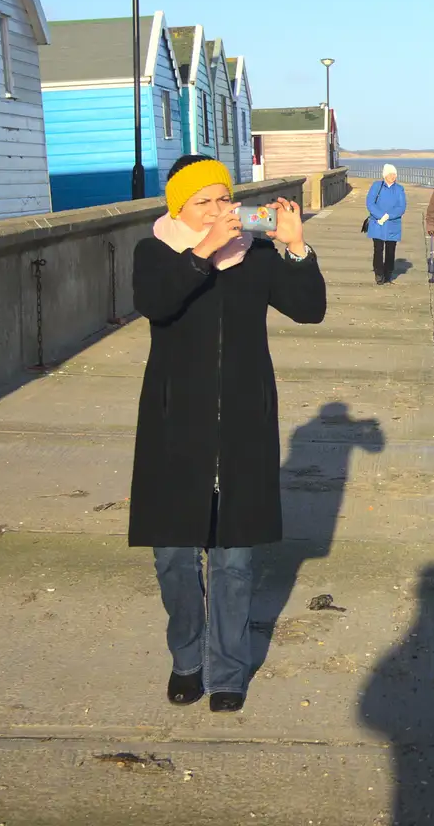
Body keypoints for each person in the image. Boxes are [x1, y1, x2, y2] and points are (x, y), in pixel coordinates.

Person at [129, 155, 327, 713]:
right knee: (173, 556)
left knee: (234, 562)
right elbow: (156, 303)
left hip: (243, 423)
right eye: (204, 202)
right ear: (180, 209)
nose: (219, 211)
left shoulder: (255, 254)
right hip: (175, 426)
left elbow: (310, 310)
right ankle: (186, 659)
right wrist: (203, 251)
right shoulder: (156, 253)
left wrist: (295, 249)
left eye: (224, 199)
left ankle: (228, 671)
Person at [366, 165, 407, 284]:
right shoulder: (376, 186)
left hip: (392, 224)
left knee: (391, 250)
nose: (393, 176)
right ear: (385, 175)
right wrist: (380, 216)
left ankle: (388, 272)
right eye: (390, 174)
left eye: (394, 174)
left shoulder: (399, 189)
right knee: (378, 249)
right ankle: (378, 273)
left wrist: (389, 215)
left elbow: (401, 207)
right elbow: (370, 203)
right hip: (377, 223)